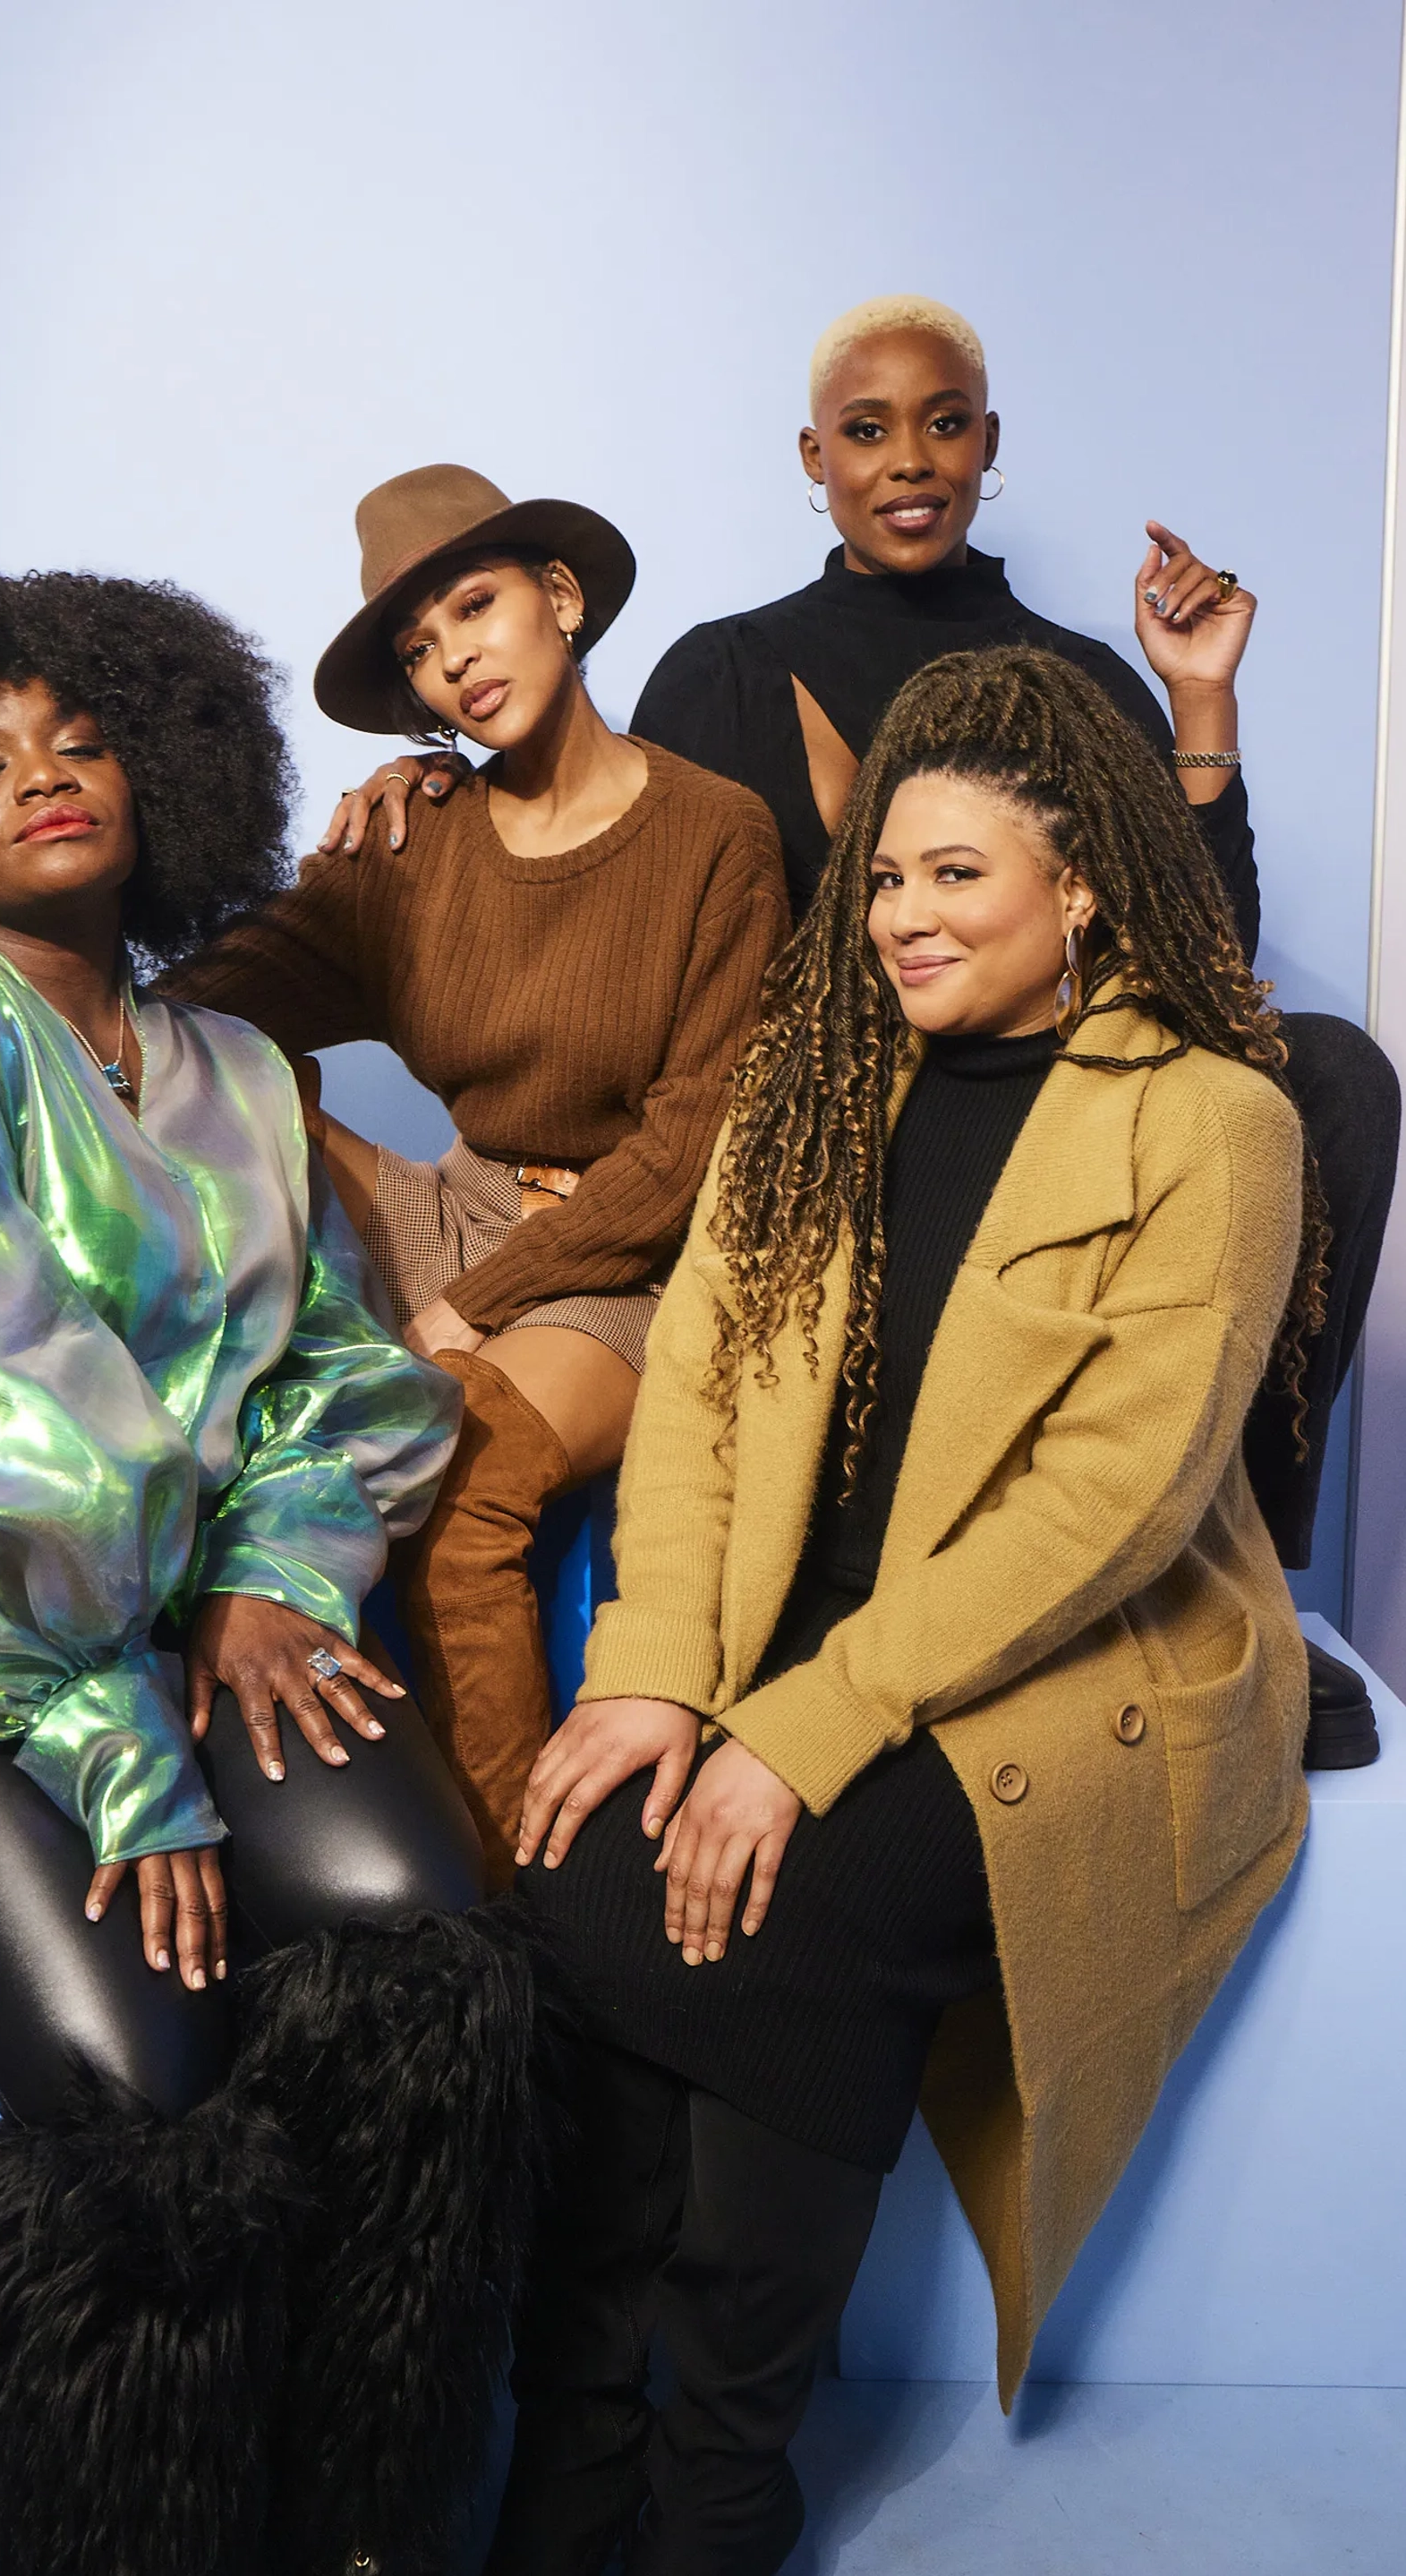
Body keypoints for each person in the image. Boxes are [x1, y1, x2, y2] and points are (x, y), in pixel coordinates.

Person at [0, 569, 545, 2576]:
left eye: (80, 739)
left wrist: (276, 1572)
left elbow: (349, 1375)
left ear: (165, 771)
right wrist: (116, 1729)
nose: (42, 780)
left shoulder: (242, 1074)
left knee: (427, 1949)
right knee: (140, 2078)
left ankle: (363, 2523)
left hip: (158, 1620)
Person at [490, 644, 1320, 2576]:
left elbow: (1111, 1504)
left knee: (797, 1905)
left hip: (1060, 1661)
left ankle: (718, 2479)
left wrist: (805, 1723)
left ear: (1081, 884)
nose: (901, 915)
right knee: (586, 1867)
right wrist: (662, 1679)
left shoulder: (1216, 1121)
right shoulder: (817, 1081)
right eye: (881, 877)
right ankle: (578, 2442)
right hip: (803, 1633)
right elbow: (690, 1401)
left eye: (956, 874)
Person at [333, 300, 1396, 1764]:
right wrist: (444, 776)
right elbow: (615, 876)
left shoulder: (1075, 678)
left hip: (1056, 1096)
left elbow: (1198, 957)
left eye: (946, 422)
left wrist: (1197, 699)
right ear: (813, 459)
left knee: (1332, 1074)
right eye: (869, 429)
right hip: (831, 1120)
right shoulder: (719, 670)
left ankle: (1248, 1592)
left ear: (987, 445)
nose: (911, 459)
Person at [165, 465, 788, 1882]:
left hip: (630, 1261)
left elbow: (693, 1152)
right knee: (236, 1086)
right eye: (419, 647)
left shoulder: (717, 835)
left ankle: (526, 1909)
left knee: (461, 1486)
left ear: (560, 602)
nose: (453, 655)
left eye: (476, 604)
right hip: (463, 1207)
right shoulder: (417, 838)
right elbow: (194, 1014)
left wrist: (471, 1304)